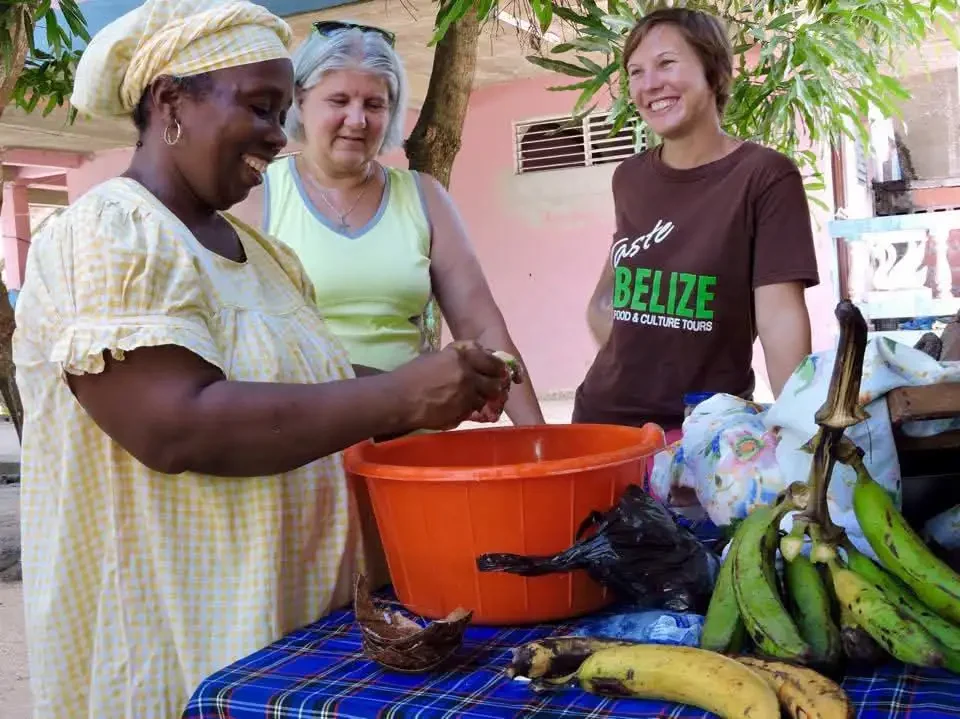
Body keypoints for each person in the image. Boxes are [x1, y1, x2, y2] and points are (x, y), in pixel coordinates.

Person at [11, 1, 514, 717]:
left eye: (281, 113)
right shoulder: (109, 232)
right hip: (179, 640)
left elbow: (315, 387)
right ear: (170, 101)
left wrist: (443, 387)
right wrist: (399, 397)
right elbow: (177, 424)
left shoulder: (268, 259)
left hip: (286, 637)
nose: (278, 136)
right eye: (260, 106)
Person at [259, 21, 545, 426]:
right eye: (338, 100)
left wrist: (538, 440)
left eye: (374, 104)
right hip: (302, 440)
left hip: (409, 439)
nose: (357, 120)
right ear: (300, 101)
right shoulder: (259, 195)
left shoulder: (424, 197)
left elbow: (481, 324)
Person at [574, 7, 819, 438]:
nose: (650, 84)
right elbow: (611, 291)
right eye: (635, 72)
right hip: (603, 420)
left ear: (715, 71)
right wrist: (636, 355)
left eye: (667, 63)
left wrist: (801, 430)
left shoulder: (764, 175)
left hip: (706, 431)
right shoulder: (629, 177)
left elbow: (779, 317)